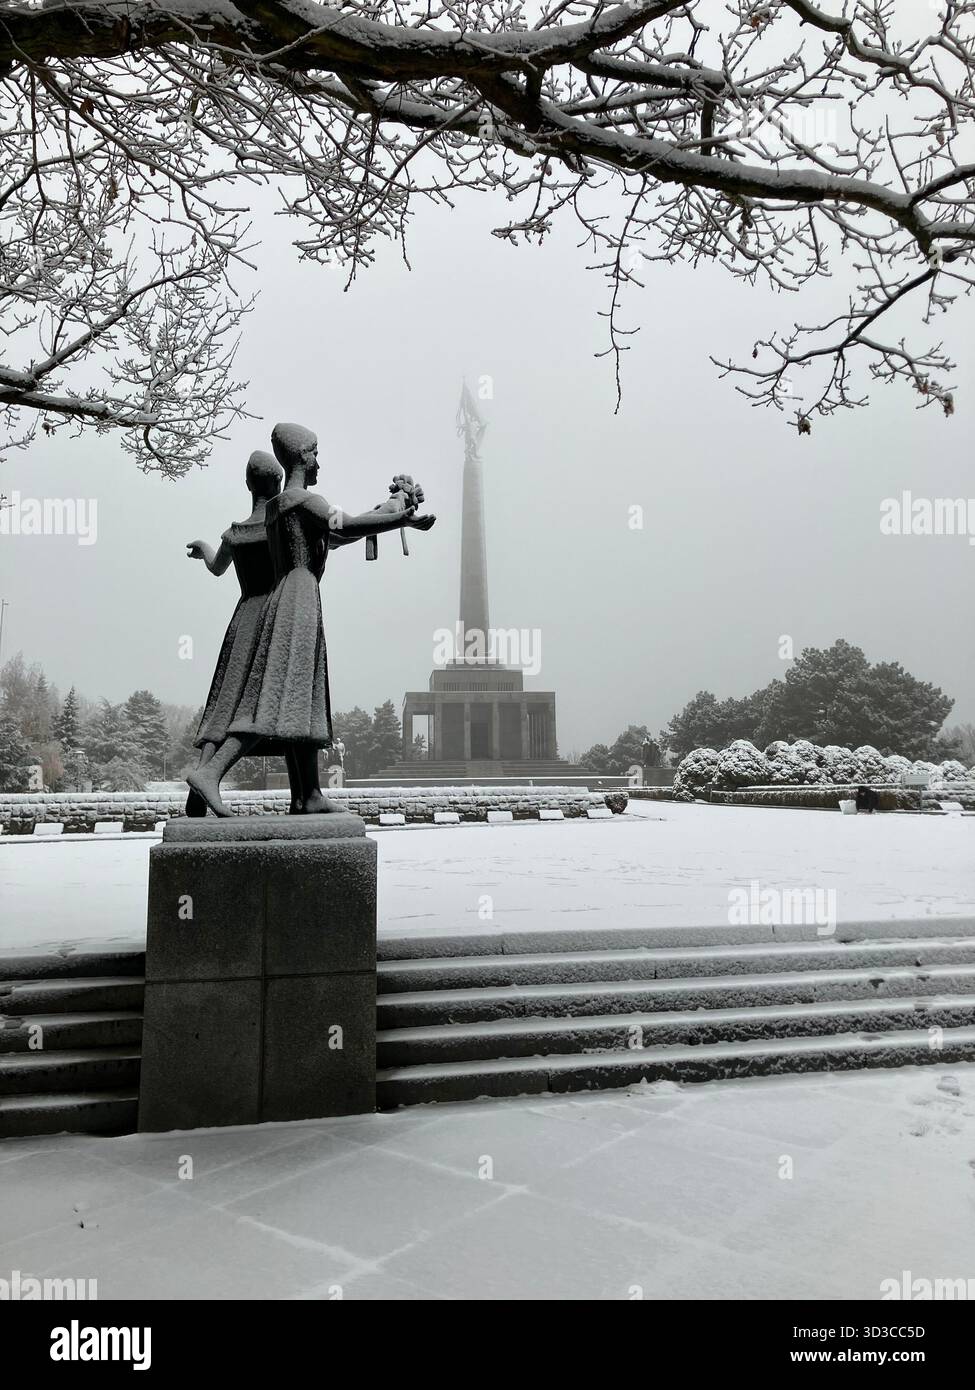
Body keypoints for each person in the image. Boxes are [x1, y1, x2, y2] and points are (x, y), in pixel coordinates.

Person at [186, 422, 435, 816]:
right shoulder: (304, 501)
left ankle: (308, 794)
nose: (319, 461)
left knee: (300, 699)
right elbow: (347, 525)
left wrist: (389, 510)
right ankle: (212, 773)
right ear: (303, 456)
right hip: (298, 601)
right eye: (315, 452)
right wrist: (400, 520)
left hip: (289, 598)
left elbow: (338, 533)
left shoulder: (279, 508)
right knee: (276, 701)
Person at [185, 450, 303, 815]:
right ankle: (303, 792)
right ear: (279, 483)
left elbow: (217, 568)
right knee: (270, 701)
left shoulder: (236, 533)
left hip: (242, 621)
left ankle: (199, 787)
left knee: (226, 701)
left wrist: (205, 547)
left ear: (248, 485)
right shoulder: (278, 528)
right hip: (273, 618)